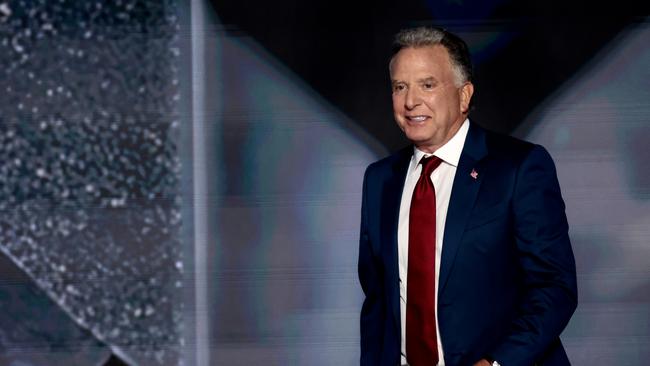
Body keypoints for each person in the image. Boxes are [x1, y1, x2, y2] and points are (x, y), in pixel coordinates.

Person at [358, 26, 577, 366]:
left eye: (427, 85)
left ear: (464, 95)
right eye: (400, 87)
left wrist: (495, 363)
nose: (410, 100)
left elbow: (554, 288)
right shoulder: (379, 180)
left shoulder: (519, 168)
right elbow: (377, 303)